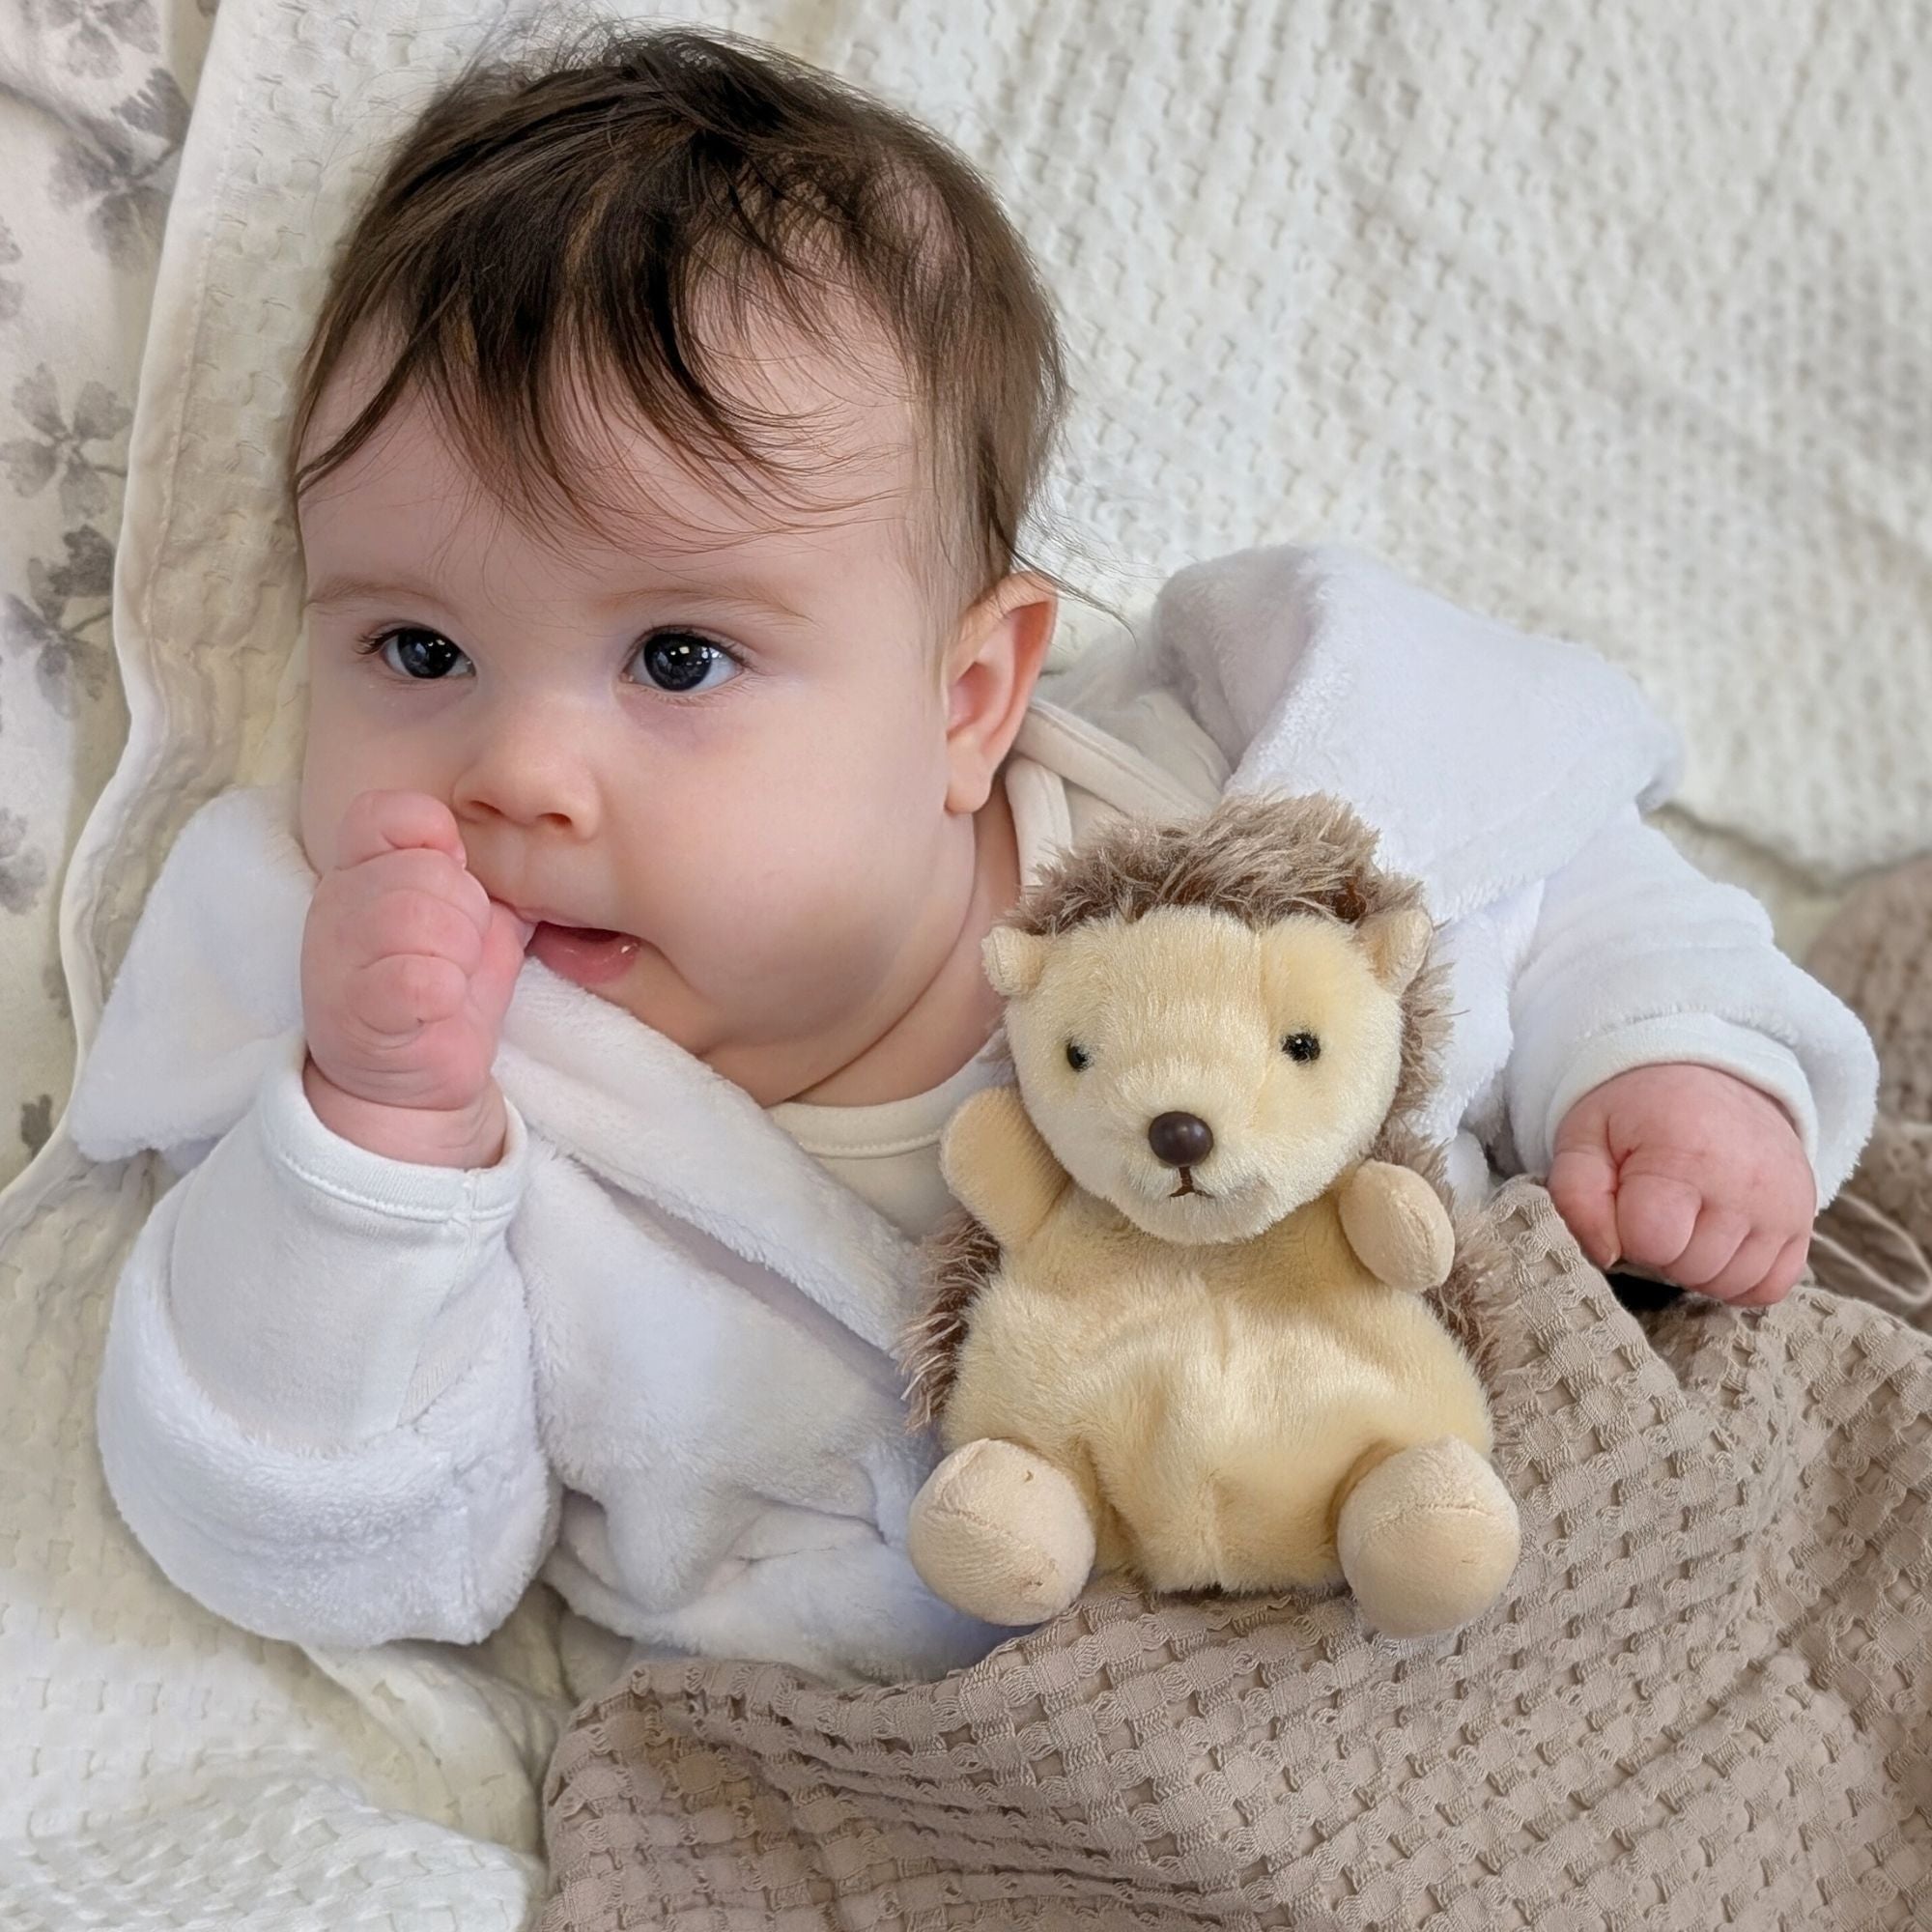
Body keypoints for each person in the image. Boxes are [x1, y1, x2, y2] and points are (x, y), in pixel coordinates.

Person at [71, 25, 1875, 1690]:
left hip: (1478, 1532)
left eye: (678, 659)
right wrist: (376, 1153)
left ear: (966, 696)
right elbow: (330, 1545)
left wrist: (1676, 1073)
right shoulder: (423, 1075)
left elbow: (1555, 875)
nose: (518, 774)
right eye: (417, 652)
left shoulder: (1212, 815)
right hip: (1006, 1761)